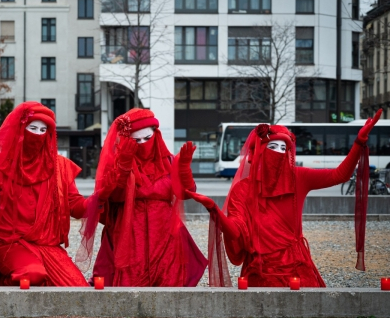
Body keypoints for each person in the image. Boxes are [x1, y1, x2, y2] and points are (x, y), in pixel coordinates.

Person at [187, 109, 383, 287]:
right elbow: (237, 231)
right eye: (273, 146)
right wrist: (215, 210)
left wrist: (358, 142)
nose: (280, 153)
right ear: (261, 150)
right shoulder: (243, 190)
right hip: (259, 272)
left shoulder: (298, 177)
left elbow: (339, 175)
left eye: (284, 148)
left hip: (296, 269)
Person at [0, 101, 90, 287]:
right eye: (32, 128)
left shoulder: (59, 167)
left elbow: (76, 207)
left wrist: (99, 197)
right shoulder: (3, 164)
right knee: (32, 274)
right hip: (11, 243)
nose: (37, 135)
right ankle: (7, 283)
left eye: (42, 130)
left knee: (78, 291)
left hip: (48, 247)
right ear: (20, 129)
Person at [78, 108, 207, 287]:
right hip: (128, 232)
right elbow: (110, 196)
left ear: (156, 134)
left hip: (164, 233)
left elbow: (185, 193)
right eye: (136, 140)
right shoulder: (118, 162)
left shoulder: (169, 161)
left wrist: (184, 169)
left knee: (168, 284)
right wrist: (122, 167)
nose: (143, 144)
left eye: (147, 138)